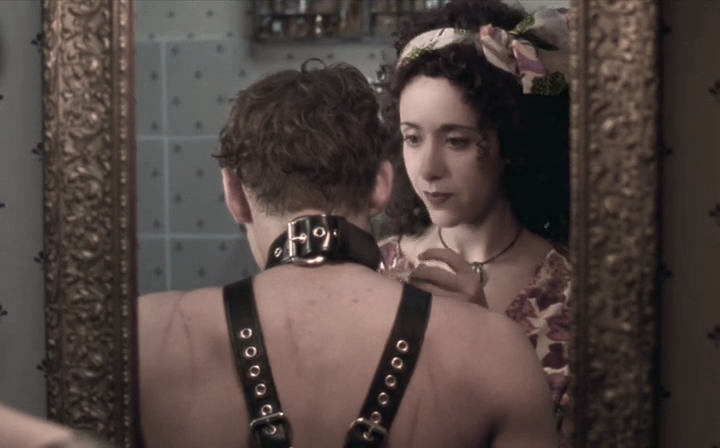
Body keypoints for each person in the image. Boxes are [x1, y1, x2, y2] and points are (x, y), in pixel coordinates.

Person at [137, 61, 557, 447]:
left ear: (234, 194)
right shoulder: (497, 353)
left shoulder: (145, 336)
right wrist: (477, 333)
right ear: (381, 185)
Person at [375, 0, 573, 445]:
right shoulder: (375, 270)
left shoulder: (571, 293)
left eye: (457, 141)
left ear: (510, 142)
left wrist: (486, 341)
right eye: (412, 138)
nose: (428, 169)